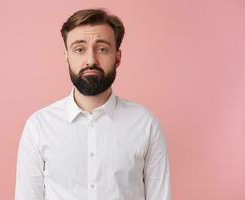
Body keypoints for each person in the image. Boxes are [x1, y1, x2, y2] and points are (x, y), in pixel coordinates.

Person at [15, 8, 171, 200]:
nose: (91, 60)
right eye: (79, 49)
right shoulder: (38, 126)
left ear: (118, 57)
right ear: (67, 57)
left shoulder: (146, 124)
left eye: (102, 49)